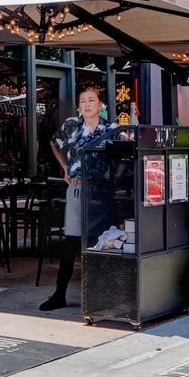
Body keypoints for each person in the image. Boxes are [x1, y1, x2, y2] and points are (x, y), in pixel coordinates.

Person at [39, 83, 119, 311]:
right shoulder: (71, 125)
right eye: (83, 101)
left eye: (91, 100)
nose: (86, 105)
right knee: (71, 241)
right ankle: (59, 294)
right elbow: (54, 143)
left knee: (98, 243)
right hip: (76, 188)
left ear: (100, 105)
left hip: (101, 193)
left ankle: (98, 295)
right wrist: (64, 168)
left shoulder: (110, 129)